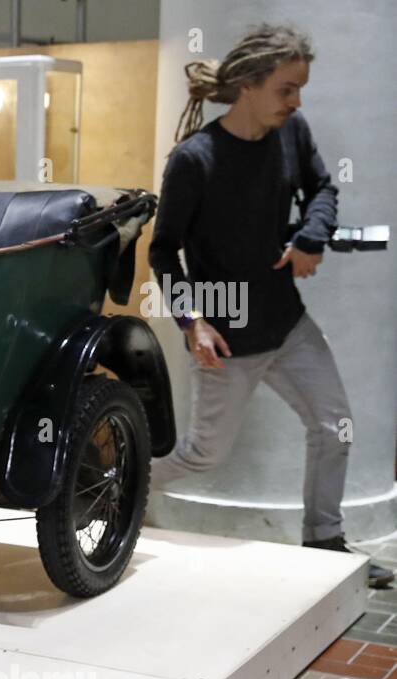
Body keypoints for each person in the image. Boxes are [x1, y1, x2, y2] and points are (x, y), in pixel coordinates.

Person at [148, 23, 392, 589]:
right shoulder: (195, 160)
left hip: (287, 323)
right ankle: (114, 481)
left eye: (299, 89)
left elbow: (323, 189)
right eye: (287, 89)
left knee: (336, 428)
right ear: (249, 86)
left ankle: (325, 542)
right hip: (228, 338)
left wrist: (310, 236)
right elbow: (163, 252)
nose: (297, 101)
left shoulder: (292, 132)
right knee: (202, 458)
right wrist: (192, 323)